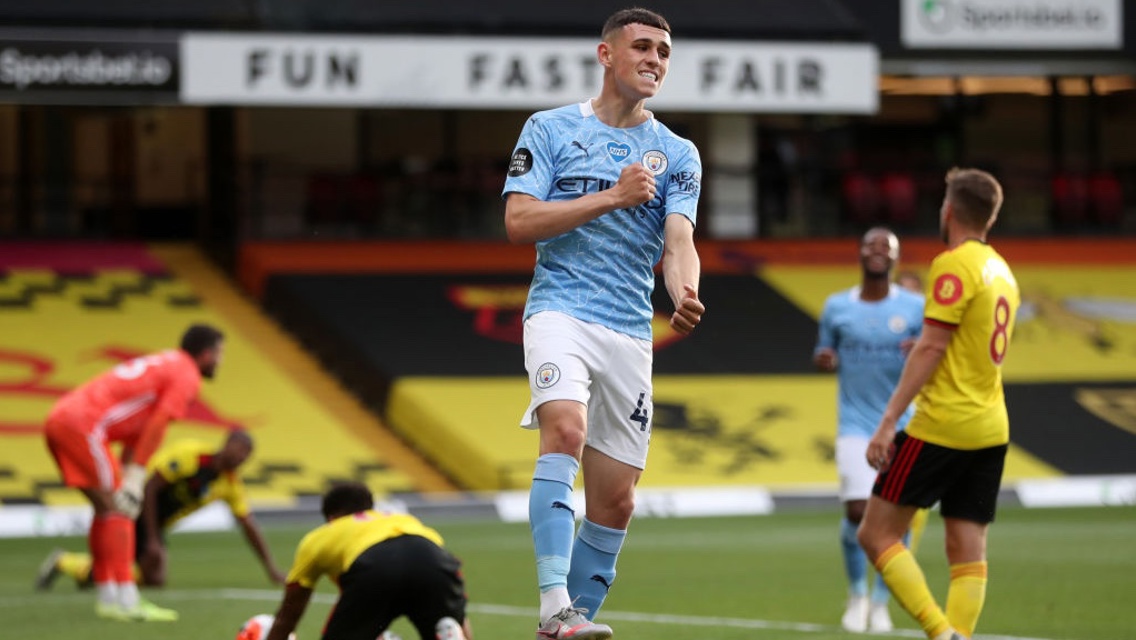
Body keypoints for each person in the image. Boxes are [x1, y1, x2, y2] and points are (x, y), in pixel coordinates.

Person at [501, 7, 704, 640]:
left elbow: (678, 240)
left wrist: (685, 289)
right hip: (560, 311)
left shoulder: (678, 153)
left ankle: (568, 627)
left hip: (629, 332)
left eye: (664, 52)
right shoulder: (550, 128)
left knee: (616, 500)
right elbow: (518, 222)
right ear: (606, 54)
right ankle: (554, 605)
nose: (655, 60)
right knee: (564, 428)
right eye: (642, 47)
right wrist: (612, 197)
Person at [858, 168, 1019, 640]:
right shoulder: (1002, 269)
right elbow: (965, 342)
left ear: (949, 211)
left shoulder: (954, 263)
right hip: (992, 426)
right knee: (966, 548)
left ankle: (940, 632)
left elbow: (931, 347)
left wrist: (888, 423)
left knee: (876, 534)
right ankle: (961, 638)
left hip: (943, 424)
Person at [42, 322, 225, 621]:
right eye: (219, 353)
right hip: (84, 424)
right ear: (205, 354)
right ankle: (127, 600)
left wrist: (130, 469)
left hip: (63, 419)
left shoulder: (169, 363)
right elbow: (159, 422)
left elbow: (139, 428)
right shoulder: (187, 375)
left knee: (106, 509)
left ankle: (108, 598)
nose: (220, 361)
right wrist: (137, 474)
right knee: (122, 509)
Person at [814, 227, 925, 633]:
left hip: (903, 424)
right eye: (871, 246)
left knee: (899, 519)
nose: (878, 252)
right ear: (859, 254)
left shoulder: (916, 307)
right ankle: (858, 591)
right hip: (855, 424)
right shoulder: (836, 306)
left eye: (887, 247)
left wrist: (921, 352)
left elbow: (936, 356)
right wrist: (824, 359)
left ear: (896, 259)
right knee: (858, 511)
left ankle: (882, 601)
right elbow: (823, 350)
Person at [35, 429, 285, 591]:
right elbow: (151, 488)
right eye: (241, 449)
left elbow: (248, 525)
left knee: (144, 576)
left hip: (153, 522)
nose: (243, 458)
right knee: (149, 575)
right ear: (228, 443)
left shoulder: (230, 485)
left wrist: (271, 568)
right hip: (131, 506)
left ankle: (70, 565)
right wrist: (153, 539)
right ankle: (71, 565)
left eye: (248, 455)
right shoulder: (191, 454)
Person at [263, 481, 472, 640]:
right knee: (448, 622)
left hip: (376, 567)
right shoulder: (400, 518)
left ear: (331, 517)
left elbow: (289, 614)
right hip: (433, 559)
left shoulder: (322, 534)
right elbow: (452, 586)